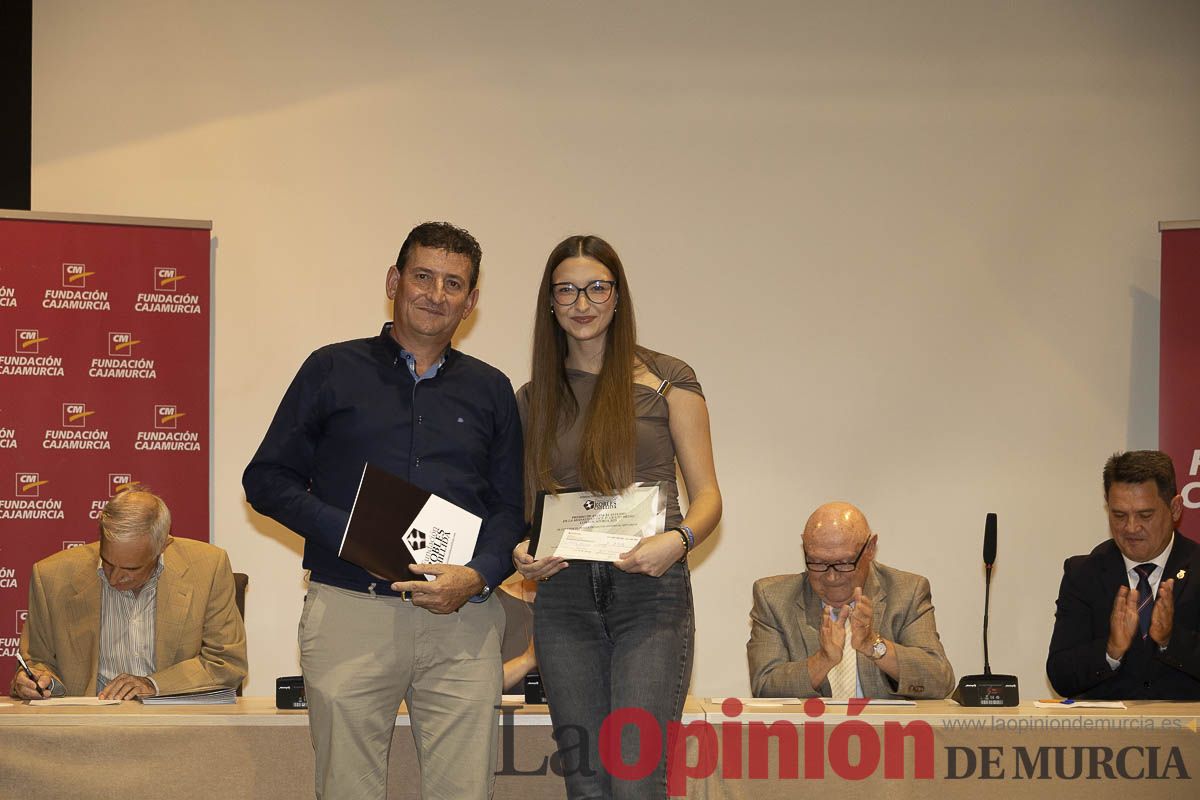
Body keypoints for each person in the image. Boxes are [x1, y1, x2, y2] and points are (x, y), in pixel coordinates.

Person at [242, 221, 524, 800]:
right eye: (423, 277)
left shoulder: (492, 389)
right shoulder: (331, 369)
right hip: (352, 612)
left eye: (453, 284)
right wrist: (352, 533)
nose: (436, 294)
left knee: (465, 792)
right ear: (394, 281)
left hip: (462, 622)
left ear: (471, 301)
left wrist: (477, 576)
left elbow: (509, 507)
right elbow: (265, 479)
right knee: (348, 788)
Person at [513, 234, 723, 799]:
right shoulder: (533, 398)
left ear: (618, 295)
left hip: (649, 598)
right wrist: (522, 551)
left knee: (635, 781)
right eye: (567, 291)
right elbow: (525, 513)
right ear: (550, 302)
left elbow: (709, 498)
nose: (582, 303)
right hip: (563, 600)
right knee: (586, 786)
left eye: (596, 288)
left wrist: (678, 541)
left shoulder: (668, 380)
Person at [10, 487, 247, 700]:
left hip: (174, 722)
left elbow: (226, 663)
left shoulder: (207, 568)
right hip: (90, 724)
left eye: (131, 569)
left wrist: (153, 685)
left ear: (162, 546)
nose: (114, 578)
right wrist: (39, 682)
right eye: (107, 563)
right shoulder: (52, 577)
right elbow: (38, 663)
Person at [747, 501, 954, 700]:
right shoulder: (774, 598)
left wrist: (874, 644)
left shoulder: (907, 592)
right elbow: (764, 687)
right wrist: (822, 660)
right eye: (817, 562)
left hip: (886, 725)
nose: (831, 577)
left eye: (844, 563)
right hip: (811, 725)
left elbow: (939, 681)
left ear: (870, 548)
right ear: (805, 549)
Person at [1047, 450, 1200, 699]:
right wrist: (1111, 651)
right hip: (1109, 725)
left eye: (1145, 515)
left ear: (1174, 508)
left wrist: (1171, 640)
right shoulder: (1084, 574)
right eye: (1119, 515)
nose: (1131, 527)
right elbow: (1060, 676)